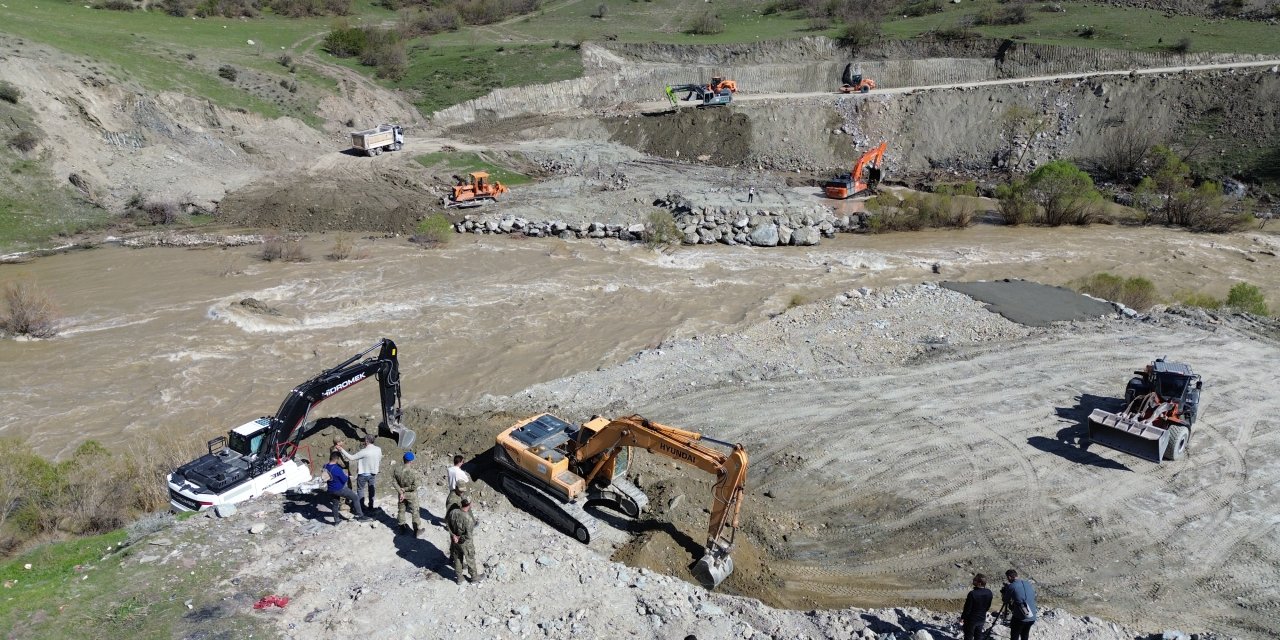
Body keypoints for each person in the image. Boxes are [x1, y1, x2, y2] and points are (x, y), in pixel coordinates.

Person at [338, 433, 382, 513]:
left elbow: (351, 457)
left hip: (363, 474)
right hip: (373, 473)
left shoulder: (364, 451)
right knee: (371, 489)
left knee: (360, 490)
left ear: (367, 441)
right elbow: (379, 459)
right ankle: (371, 506)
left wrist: (341, 449)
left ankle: (361, 507)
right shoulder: (378, 449)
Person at [446, 496, 482, 585]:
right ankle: (474, 577)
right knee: (470, 558)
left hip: (455, 542)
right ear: (469, 504)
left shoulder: (453, 512)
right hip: (465, 543)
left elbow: (448, 525)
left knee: (457, 558)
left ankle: (459, 578)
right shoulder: (468, 519)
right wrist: (460, 538)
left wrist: (453, 535)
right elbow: (468, 536)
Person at [324, 451, 364, 524]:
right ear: (337, 459)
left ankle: (337, 521)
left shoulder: (325, 466)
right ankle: (360, 516)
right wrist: (346, 475)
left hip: (330, 489)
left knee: (335, 504)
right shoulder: (336, 468)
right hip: (339, 489)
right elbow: (344, 479)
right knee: (355, 497)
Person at [1001, 569, 1038, 640]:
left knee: (1014, 635)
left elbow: (1005, 600)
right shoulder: (1027, 583)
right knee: (1025, 634)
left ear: (1009, 577)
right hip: (1032, 617)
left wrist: (1005, 592)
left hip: (1020, 618)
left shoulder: (1011, 586)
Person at [392, 451, 422, 536]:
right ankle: (416, 530)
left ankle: (402, 527)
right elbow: (415, 486)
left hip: (401, 494)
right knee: (415, 511)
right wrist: (405, 489)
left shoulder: (397, 469)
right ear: (411, 461)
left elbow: (394, 482)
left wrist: (401, 492)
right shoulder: (413, 472)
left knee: (401, 510)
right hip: (411, 495)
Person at [960, 573, 993, 640]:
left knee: (968, 636)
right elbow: (988, 606)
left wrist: (963, 617)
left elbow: (967, 608)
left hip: (971, 619)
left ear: (979, 583)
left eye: (975, 580)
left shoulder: (972, 593)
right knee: (978, 635)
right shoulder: (989, 592)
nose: (973, 581)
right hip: (982, 618)